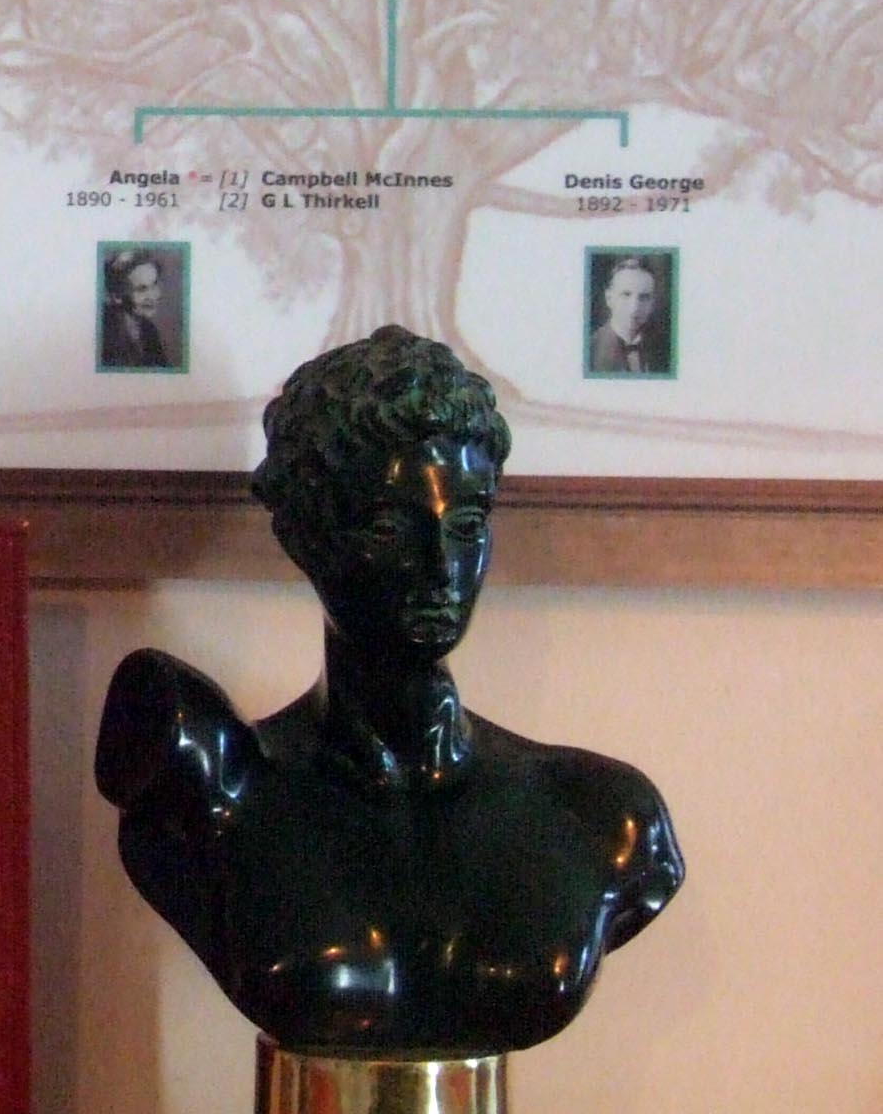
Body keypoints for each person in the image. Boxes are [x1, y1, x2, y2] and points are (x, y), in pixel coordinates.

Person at [93, 327, 685, 1055]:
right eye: (387, 528)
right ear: (304, 536)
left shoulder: (603, 815)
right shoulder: (221, 799)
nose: (440, 567)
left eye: (466, 524)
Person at [587, 254, 667, 375]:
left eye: (644, 297)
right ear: (609, 299)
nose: (635, 307)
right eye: (626, 295)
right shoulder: (590, 350)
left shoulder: (664, 349)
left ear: (652, 303)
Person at [98, 248, 173, 369]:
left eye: (154, 284)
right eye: (141, 289)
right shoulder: (104, 334)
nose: (153, 296)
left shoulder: (149, 330)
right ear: (117, 296)